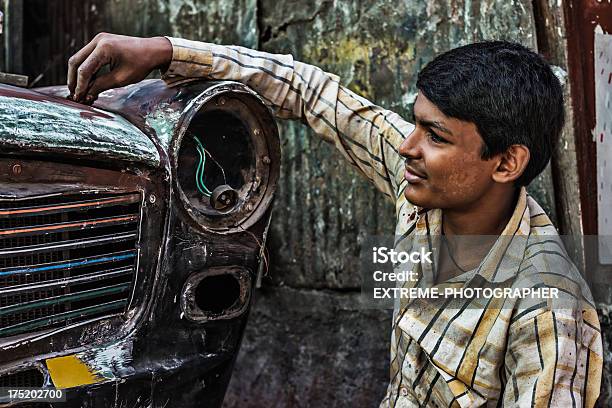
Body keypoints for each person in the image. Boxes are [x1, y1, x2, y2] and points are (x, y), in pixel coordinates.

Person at [67, 33, 603, 407]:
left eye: (436, 136)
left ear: (506, 162)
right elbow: (308, 90)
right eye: (415, 124)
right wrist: (162, 51)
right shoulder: (423, 185)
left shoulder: (550, 312)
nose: (407, 147)